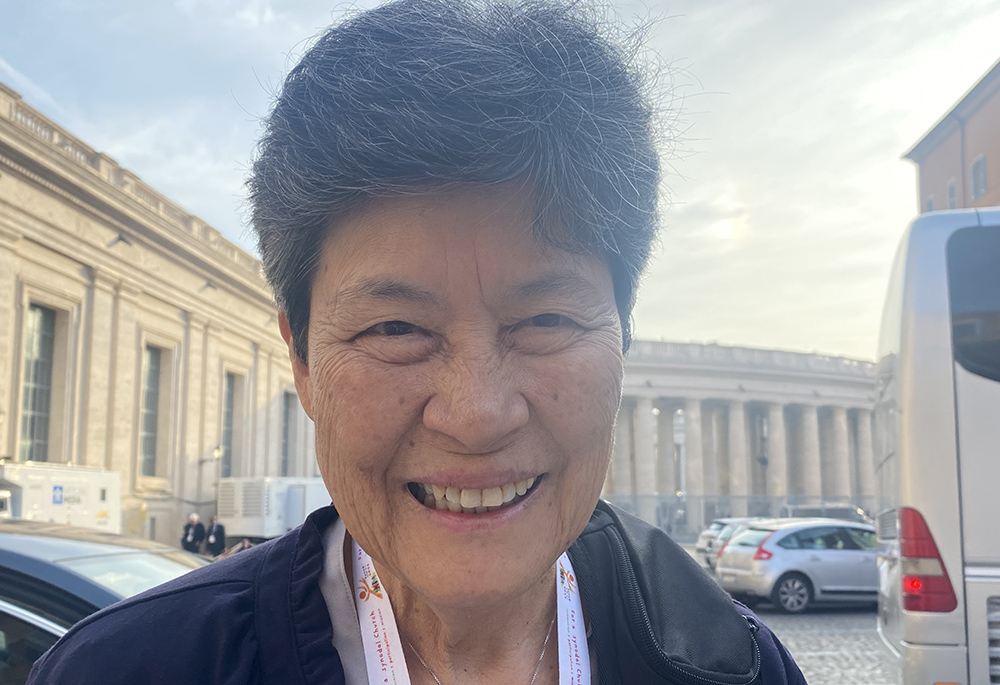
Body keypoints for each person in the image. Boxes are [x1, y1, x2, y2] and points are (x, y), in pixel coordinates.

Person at [29, 1, 807, 683]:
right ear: (300, 360)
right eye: (396, 328)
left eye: (544, 322)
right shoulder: (120, 670)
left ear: (623, 342)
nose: (476, 413)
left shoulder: (740, 668)